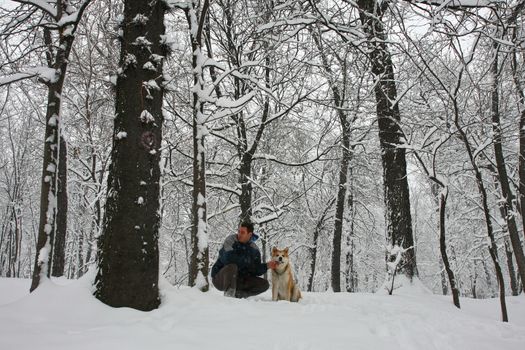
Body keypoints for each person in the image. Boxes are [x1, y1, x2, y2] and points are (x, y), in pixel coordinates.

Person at [211, 221, 278, 298]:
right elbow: (228, 259)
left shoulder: (254, 249)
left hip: (238, 280)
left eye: (242, 232)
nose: (239, 234)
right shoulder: (230, 241)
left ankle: (240, 295)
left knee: (264, 284)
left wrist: (267, 266)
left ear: (249, 234)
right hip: (220, 279)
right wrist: (247, 261)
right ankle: (229, 296)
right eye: (239, 231)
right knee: (232, 266)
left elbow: (255, 270)